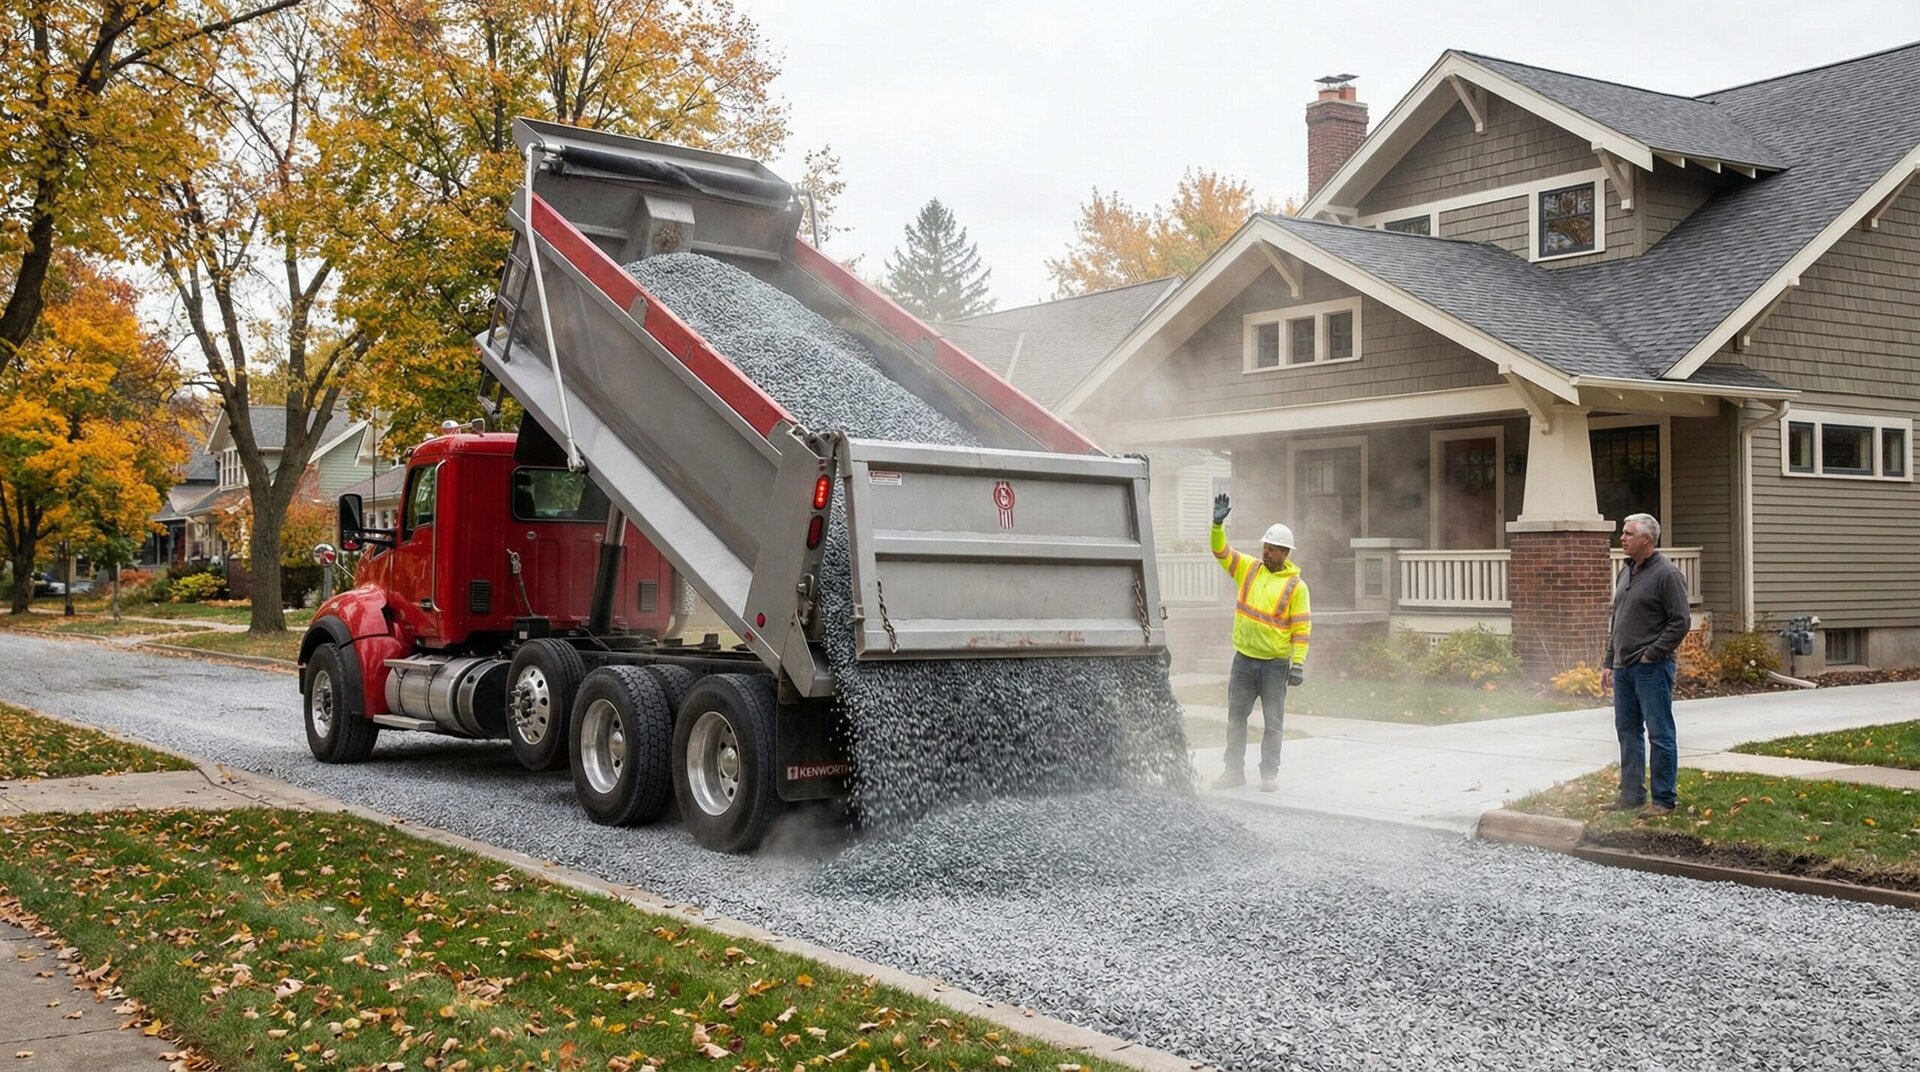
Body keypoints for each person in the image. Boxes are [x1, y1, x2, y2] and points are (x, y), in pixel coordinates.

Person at [1208, 493, 1310, 792]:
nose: (1265, 552)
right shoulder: (1248, 569)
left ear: (1285, 553)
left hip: (1275, 666)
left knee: (1273, 723)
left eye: (1272, 549)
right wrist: (1217, 525)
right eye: (1264, 547)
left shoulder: (1296, 587)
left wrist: (1299, 663)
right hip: (1243, 660)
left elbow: (1302, 629)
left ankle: (1269, 773)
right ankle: (1233, 772)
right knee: (1235, 719)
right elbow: (1221, 552)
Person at [1600, 512, 1691, 816]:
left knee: (1659, 733)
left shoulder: (1667, 574)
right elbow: (1619, 621)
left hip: (1652, 668)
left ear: (1646, 539)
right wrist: (1609, 661)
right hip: (1624, 668)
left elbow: (1680, 623)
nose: (1621, 538)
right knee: (1627, 731)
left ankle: (1664, 800)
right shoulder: (1626, 571)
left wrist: (1652, 653)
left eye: (1627, 534)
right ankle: (1631, 795)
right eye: (1623, 533)